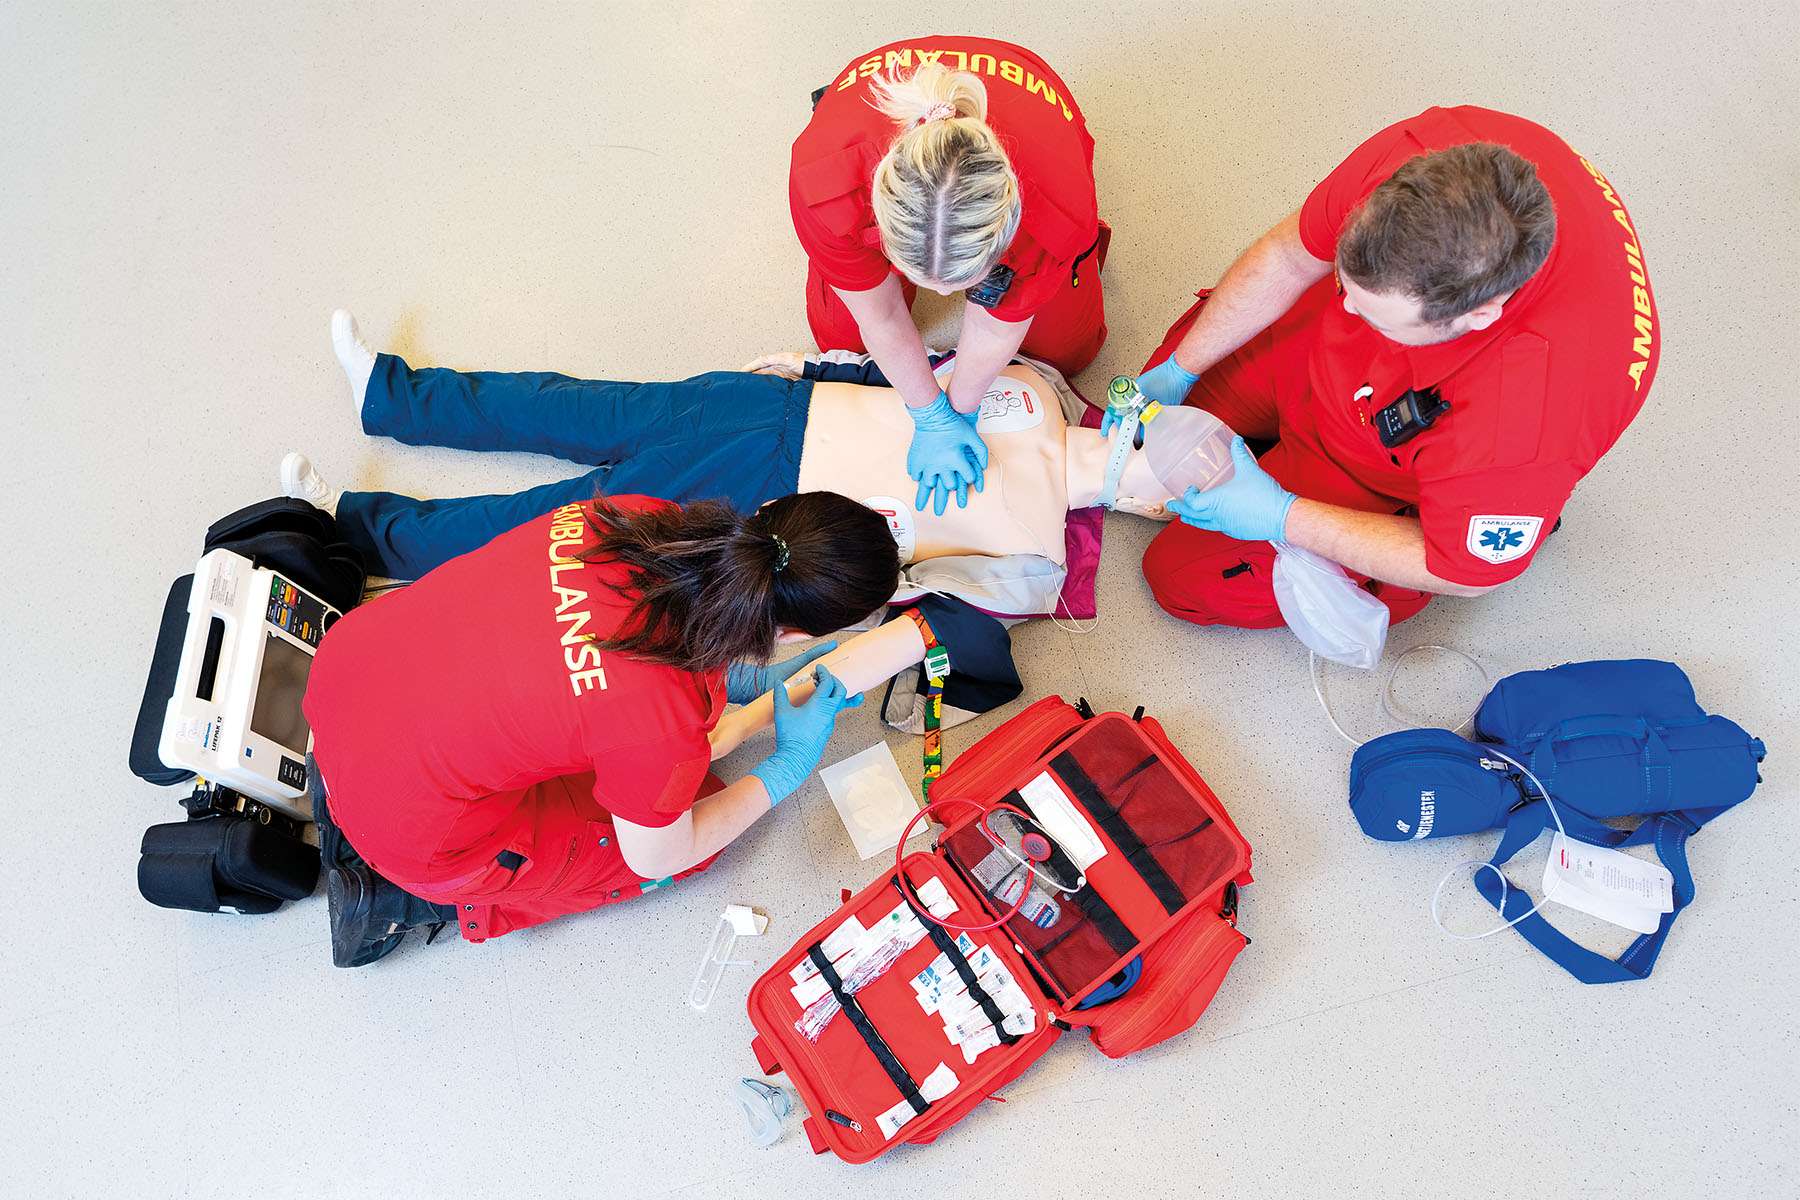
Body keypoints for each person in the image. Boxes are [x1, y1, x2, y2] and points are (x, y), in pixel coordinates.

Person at [302, 483, 900, 967]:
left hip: (347, 680)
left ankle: (340, 786)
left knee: (630, 766)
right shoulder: (659, 725)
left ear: (767, 509)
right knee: (696, 829)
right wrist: (783, 770)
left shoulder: (644, 516)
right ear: (795, 636)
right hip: (418, 837)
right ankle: (397, 900)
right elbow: (659, 856)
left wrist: (730, 689)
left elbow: (592, 655)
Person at [1129, 106, 1658, 630]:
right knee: (1139, 427)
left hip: (1395, 463)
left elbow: (1461, 571)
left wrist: (1282, 514)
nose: (1348, 310)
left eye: (1373, 314)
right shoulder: (1431, 161)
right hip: (1327, 361)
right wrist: (1180, 368)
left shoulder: (1521, 429)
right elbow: (1290, 259)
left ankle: (1447, 526)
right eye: (1345, 282)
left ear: (1479, 313)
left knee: (1178, 578)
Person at [282, 311, 1180, 587]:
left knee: (547, 523)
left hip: (765, 494)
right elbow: (907, 372)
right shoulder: (1035, 390)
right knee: (569, 405)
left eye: (1142, 479)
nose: (1121, 457)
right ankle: (391, 394)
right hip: (763, 407)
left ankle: (351, 534)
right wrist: (804, 367)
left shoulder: (1036, 547)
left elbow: (914, 585)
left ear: (1141, 506)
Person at [791, 39, 1106, 515]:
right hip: (858, 129)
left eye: (964, 281)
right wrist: (928, 414)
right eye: (924, 275)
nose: (944, 295)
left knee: (1066, 352)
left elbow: (997, 322)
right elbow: (881, 316)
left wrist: (960, 409)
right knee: (842, 339)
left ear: (1010, 226)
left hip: (1032, 108)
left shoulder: (1055, 208)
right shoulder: (823, 185)